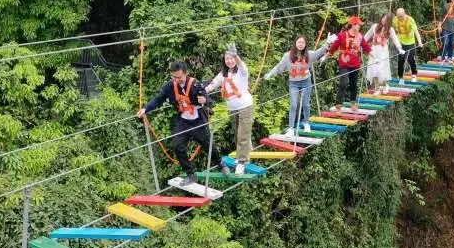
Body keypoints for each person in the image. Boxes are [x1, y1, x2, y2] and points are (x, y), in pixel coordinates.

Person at [138, 60, 213, 185]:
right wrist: (145, 109)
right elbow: (158, 99)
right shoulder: (169, 86)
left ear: (186, 73)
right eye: (175, 77)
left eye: (180, 77)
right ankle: (190, 174)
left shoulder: (195, 84)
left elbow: (210, 101)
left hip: (198, 120)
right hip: (183, 121)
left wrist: (205, 100)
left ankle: (220, 163)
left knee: (207, 144)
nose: (177, 80)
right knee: (176, 146)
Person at [264, 33, 335, 135]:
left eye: (303, 42)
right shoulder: (287, 56)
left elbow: (320, 52)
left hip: (306, 81)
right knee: (293, 104)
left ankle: (306, 123)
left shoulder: (309, 54)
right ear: (295, 43)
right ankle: (291, 128)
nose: (301, 44)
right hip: (293, 83)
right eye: (299, 42)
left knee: (306, 104)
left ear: (305, 44)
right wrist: (270, 73)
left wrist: (327, 42)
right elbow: (279, 67)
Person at [205, 46, 253, 174]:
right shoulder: (223, 74)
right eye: (227, 58)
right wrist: (201, 92)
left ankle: (242, 161)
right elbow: (213, 84)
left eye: (232, 58)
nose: (230, 61)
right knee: (237, 132)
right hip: (232, 108)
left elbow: (242, 65)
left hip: (245, 106)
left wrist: (236, 55)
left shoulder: (242, 71)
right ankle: (246, 148)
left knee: (242, 134)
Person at [327, 16, 371, 110]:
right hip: (344, 63)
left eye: (359, 25)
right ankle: (338, 105)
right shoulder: (342, 35)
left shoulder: (359, 36)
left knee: (353, 84)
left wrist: (374, 57)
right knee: (343, 83)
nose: (359, 26)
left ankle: (353, 103)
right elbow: (334, 46)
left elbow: (366, 47)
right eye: (358, 25)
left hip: (355, 64)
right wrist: (327, 54)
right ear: (353, 25)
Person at [364, 12, 402, 93]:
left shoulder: (390, 30)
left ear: (389, 21)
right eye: (383, 18)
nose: (384, 20)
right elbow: (366, 36)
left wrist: (399, 48)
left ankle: (385, 85)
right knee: (374, 69)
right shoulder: (375, 26)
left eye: (386, 19)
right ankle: (377, 88)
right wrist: (360, 43)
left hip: (383, 51)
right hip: (374, 50)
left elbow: (395, 39)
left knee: (382, 68)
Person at [393, 7, 422, 79]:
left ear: (404, 14)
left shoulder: (410, 20)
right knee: (401, 60)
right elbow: (392, 30)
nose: (399, 18)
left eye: (401, 16)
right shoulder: (395, 19)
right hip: (401, 43)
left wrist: (420, 42)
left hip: (410, 43)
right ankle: (400, 77)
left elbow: (416, 32)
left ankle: (414, 74)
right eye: (398, 16)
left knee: (411, 59)